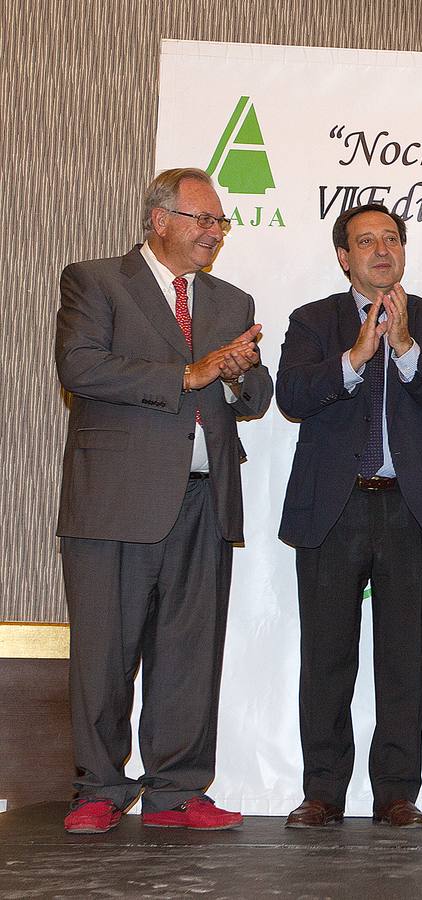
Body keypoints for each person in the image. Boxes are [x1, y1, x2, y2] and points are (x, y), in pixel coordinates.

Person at [55, 167, 272, 834]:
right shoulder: (96, 282)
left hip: (206, 500)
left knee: (189, 652)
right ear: (159, 219)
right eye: (203, 220)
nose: (215, 232)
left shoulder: (231, 301)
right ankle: (98, 787)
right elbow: (80, 368)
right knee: (106, 649)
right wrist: (189, 373)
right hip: (115, 499)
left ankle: (177, 791)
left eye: (220, 223)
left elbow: (257, 397)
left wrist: (236, 377)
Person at [275, 202, 422, 829]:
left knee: (404, 658)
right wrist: (357, 354)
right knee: (325, 655)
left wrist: (403, 345)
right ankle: (322, 792)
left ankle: (396, 794)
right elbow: (292, 397)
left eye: (391, 239)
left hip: (409, 512)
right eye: (366, 241)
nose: (382, 250)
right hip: (335, 508)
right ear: (343, 257)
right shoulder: (313, 320)